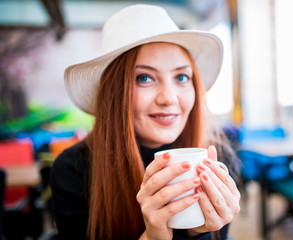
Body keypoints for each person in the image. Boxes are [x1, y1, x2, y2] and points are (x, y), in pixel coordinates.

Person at [50, 4, 241, 240]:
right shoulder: (73, 170)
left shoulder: (217, 158)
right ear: (114, 93)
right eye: (145, 78)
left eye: (182, 77)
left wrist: (198, 232)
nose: (169, 98)